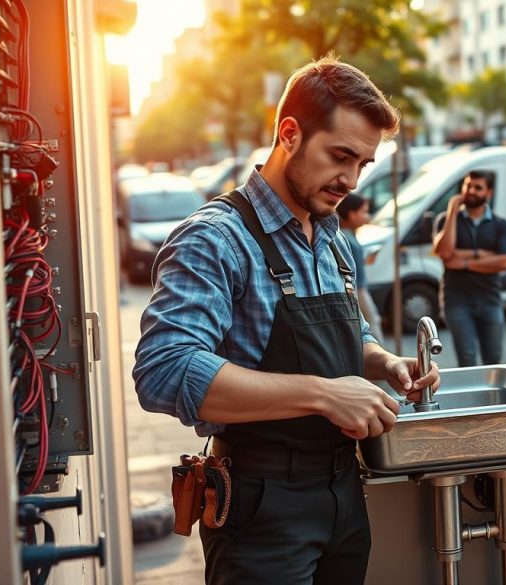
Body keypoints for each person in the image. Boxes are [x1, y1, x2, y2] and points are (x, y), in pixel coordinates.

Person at [132, 57, 439, 585]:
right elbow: (164, 370)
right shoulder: (216, 239)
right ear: (290, 134)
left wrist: (384, 362)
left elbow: (349, 332)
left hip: (344, 492)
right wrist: (324, 394)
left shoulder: (334, 238)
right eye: (340, 156)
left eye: (363, 164)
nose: (350, 180)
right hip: (259, 505)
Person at [432, 171, 506, 367]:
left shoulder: (500, 224)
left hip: (490, 299)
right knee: (467, 360)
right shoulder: (445, 219)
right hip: (457, 301)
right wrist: (452, 210)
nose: (471, 191)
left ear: (489, 193)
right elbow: (445, 252)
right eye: (468, 186)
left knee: (493, 359)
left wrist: (465, 261)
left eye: (478, 187)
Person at [337, 193, 385, 344]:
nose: (366, 215)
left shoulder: (349, 233)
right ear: (351, 214)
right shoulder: (343, 235)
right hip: (356, 288)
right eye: (363, 211)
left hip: (360, 286)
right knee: (371, 324)